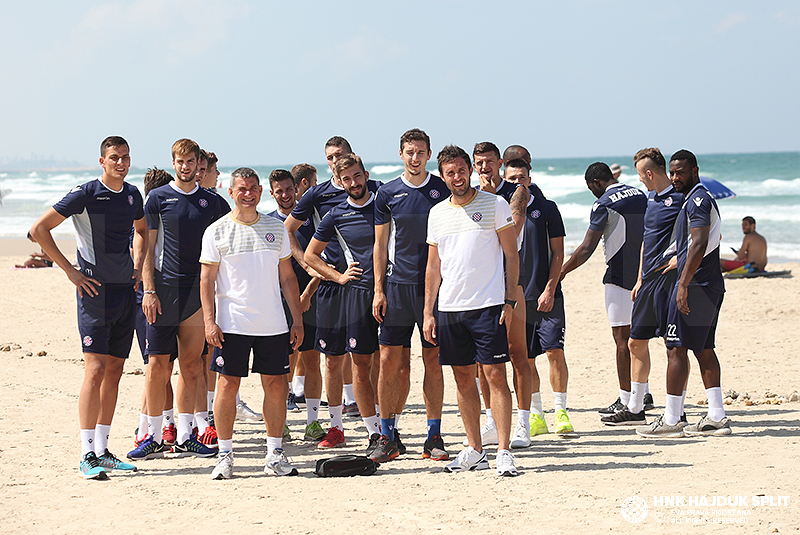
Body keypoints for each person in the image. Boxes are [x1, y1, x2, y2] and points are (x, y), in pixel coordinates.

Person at [30, 135, 146, 479]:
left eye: (125, 157)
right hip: (94, 294)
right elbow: (39, 229)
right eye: (114, 157)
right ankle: (86, 455)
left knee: (115, 372)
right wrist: (70, 272)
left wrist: (138, 266)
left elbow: (141, 230)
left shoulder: (132, 194)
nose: (121, 162)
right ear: (102, 161)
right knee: (95, 371)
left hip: (125, 293)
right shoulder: (86, 193)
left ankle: (103, 449)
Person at [201, 167, 304, 479]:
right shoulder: (216, 231)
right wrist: (209, 321)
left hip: (272, 323)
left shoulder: (276, 229)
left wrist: (296, 320)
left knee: (275, 386)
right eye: (241, 189)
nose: (248, 194)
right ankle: (225, 455)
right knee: (227, 385)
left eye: (253, 189)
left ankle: (274, 454)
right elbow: (206, 280)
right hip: (231, 324)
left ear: (261, 192)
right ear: (231, 192)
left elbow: (287, 277)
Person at [423, 145, 519, 477]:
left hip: (488, 305)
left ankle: (504, 450)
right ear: (443, 176)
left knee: (495, 376)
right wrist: (428, 312)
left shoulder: (495, 204)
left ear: (470, 170)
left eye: (462, 170)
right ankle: (475, 449)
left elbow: (511, 255)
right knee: (462, 379)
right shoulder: (437, 213)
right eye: (450, 172)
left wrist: (510, 301)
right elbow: (433, 267)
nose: (457, 176)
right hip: (450, 308)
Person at [127, 138, 223, 461]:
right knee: (157, 367)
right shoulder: (157, 198)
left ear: (200, 165)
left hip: (196, 295)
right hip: (163, 293)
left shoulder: (212, 202)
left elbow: (234, 229)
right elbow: (148, 250)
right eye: (180, 162)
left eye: (191, 162)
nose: (186, 167)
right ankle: (152, 435)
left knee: (192, 367)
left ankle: (185, 435)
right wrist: (149, 291)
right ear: (174, 163)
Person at [284, 137, 379, 445]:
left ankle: (378, 424)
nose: (336, 161)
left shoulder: (375, 190)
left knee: (369, 357)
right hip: (331, 285)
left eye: (341, 155)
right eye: (331, 158)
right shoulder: (317, 194)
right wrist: (310, 267)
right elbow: (289, 229)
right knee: (332, 358)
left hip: (364, 286)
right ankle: (336, 427)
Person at [637, 150, 732, 437]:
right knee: (703, 348)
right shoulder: (694, 199)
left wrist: (682, 283)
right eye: (673, 172)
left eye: (681, 172)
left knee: (675, 347)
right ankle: (716, 415)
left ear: (695, 170)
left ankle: (672, 419)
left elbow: (700, 242)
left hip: (697, 286)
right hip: (707, 283)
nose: (676, 178)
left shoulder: (699, 200)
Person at [372, 128, 449, 462]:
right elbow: (379, 245)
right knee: (389, 362)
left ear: (428, 154)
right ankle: (386, 436)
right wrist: (378, 289)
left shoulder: (442, 189)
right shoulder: (387, 193)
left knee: (432, 360)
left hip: (434, 288)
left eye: (420, 152)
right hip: (397, 288)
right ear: (400, 154)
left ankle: (434, 436)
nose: (415, 158)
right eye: (409, 152)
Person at [601, 148, 683, 426]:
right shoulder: (650, 200)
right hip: (647, 282)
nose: (640, 181)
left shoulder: (681, 200)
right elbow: (647, 241)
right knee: (636, 342)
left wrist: (679, 261)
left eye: (640, 175)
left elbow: (707, 234)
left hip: (670, 283)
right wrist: (638, 278)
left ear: (649, 173)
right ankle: (635, 408)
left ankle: (677, 409)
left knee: (673, 347)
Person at [560, 162, 647, 416]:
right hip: (645, 275)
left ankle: (625, 399)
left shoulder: (604, 203)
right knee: (640, 339)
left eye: (591, 188)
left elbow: (587, 248)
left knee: (622, 340)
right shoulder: (639, 193)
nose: (592, 193)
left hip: (619, 276)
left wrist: (562, 271)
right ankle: (644, 393)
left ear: (596, 183)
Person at [471, 142, 537, 447]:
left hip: (510, 283)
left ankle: (523, 423)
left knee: (517, 354)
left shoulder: (516, 192)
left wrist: (487, 202)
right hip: (480, 285)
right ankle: (491, 421)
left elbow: (509, 230)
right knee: (483, 361)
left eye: (489, 162)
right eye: (479, 163)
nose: (484, 168)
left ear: (499, 163)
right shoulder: (468, 195)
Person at [504, 158, 572, 441]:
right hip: (518, 298)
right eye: (511, 178)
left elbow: (558, 253)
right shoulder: (501, 211)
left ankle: (561, 412)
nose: (517, 182)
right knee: (526, 359)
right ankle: (536, 414)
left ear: (529, 179)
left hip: (547, 295)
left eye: (522, 177)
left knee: (555, 352)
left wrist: (550, 288)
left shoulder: (547, 209)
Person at [266, 170, 320, 421]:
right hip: (278, 301)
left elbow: (321, 260)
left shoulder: (311, 217)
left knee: (311, 358)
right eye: (279, 191)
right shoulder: (267, 223)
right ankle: (283, 413)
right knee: (282, 359)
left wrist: (308, 293)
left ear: (297, 188)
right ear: (271, 193)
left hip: (313, 295)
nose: (285, 195)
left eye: (289, 189)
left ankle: (313, 420)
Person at [133, 167, 179, 449]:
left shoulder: (143, 223)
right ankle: (159, 426)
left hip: (150, 299)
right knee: (159, 368)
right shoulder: (148, 226)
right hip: (151, 299)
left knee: (159, 368)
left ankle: (157, 426)